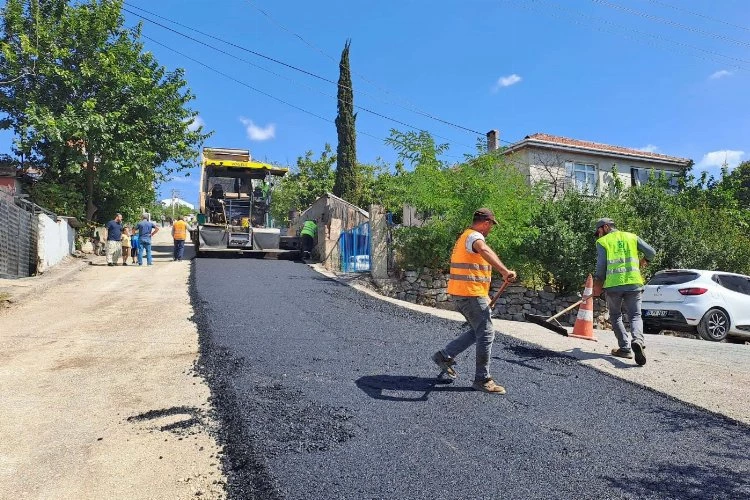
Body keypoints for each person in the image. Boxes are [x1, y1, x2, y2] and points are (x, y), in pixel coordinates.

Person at [431, 208, 517, 394]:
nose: (491, 229)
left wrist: (485, 295)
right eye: (491, 225)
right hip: (470, 294)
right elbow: (484, 249)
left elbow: (479, 263)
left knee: (477, 330)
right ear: (486, 223)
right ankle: (482, 379)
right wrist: (504, 271)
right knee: (486, 333)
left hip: (465, 293)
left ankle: (444, 355)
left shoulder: (466, 237)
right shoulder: (474, 237)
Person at [592, 217, 656, 367]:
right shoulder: (632, 237)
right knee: (635, 316)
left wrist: (597, 285)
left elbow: (601, 267)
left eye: (599, 231)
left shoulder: (603, 242)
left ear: (606, 227)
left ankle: (625, 348)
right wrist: (645, 260)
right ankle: (638, 341)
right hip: (633, 284)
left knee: (615, 316)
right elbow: (651, 252)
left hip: (614, 286)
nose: (598, 235)